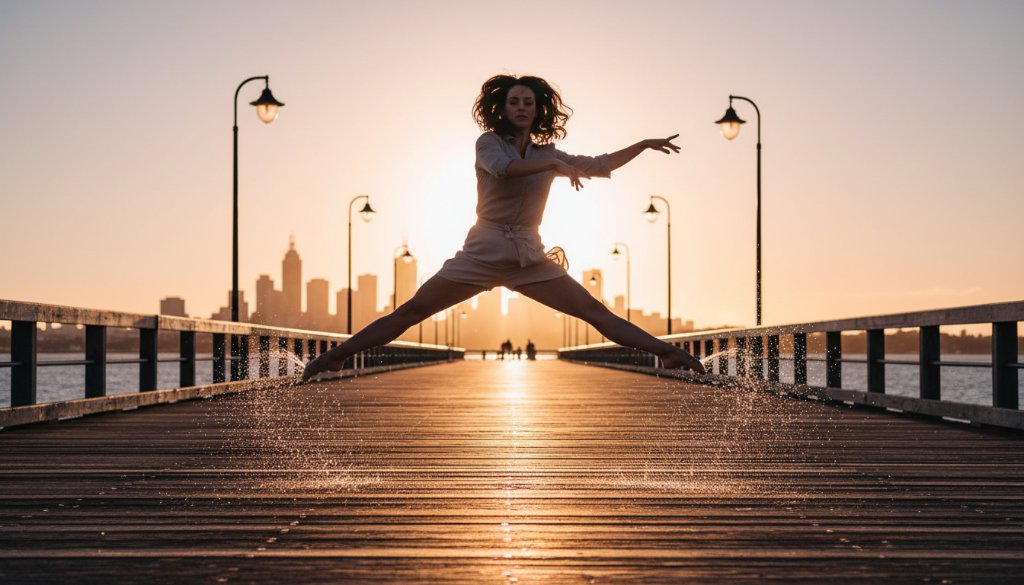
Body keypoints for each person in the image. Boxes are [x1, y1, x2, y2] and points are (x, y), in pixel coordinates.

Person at [303, 74, 705, 382]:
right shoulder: (488, 143)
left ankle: (666, 352)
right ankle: (334, 356)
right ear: (502, 107)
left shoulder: (548, 152)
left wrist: (643, 144)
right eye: (514, 101)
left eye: (528, 102)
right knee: (414, 310)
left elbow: (599, 164)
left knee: (592, 310)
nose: (521, 107)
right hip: (483, 249)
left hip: (529, 255)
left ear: (538, 108)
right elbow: (506, 170)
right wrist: (554, 166)